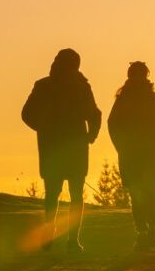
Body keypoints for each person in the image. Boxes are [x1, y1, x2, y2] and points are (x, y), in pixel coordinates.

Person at [21, 48, 101, 252]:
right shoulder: (79, 87)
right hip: (71, 148)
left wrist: (44, 127)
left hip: (55, 148)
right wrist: (90, 136)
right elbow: (95, 115)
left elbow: (27, 114)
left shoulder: (47, 86)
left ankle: (55, 239)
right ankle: (72, 241)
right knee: (74, 195)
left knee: (53, 195)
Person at [108, 62, 155, 250]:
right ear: (146, 75)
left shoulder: (122, 100)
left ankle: (143, 230)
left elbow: (112, 125)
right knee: (149, 190)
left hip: (132, 155)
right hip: (152, 154)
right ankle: (150, 227)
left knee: (137, 192)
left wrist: (121, 147)